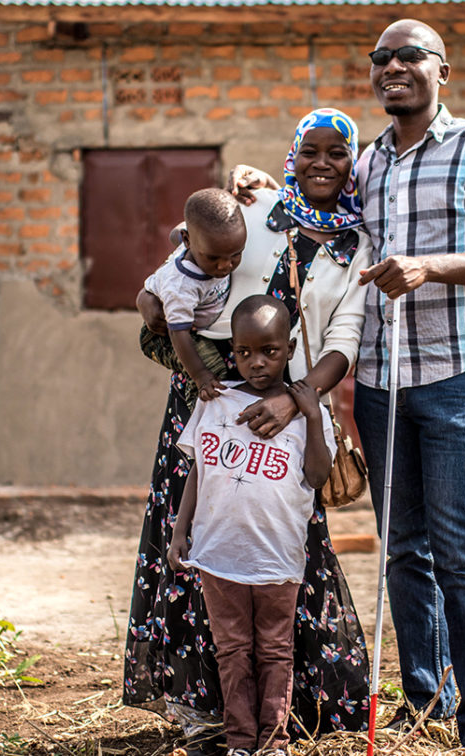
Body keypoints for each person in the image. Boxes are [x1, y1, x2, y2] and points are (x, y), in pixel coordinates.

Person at [229, 20, 465, 756]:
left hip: (459, 372)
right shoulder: (367, 162)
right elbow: (322, 198)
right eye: (381, 59)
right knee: (403, 550)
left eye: (410, 56)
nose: (393, 66)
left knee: (462, 548)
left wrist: (430, 267)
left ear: (443, 71)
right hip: (384, 383)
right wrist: (261, 185)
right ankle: (425, 700)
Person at [124, 108, 375, 756]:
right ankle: (204, 711)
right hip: (211, 404)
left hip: (285, 421)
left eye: (337, 154)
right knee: (198, 546)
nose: (323, 164)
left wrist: (300, 402)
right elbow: (198, 266)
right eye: (310, 152)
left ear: (353, 165)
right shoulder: (258, 210)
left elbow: (343, 339)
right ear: (292, 157)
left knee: (283, 554)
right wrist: (159, 302)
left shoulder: (357, 248)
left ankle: (288, 714)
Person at [169, 295, 336, 756]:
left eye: (269, 351)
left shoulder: (302, 411)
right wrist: (180, 531)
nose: (256, 363)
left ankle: (274, 742)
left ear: (290, 345)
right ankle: (242, 742)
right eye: (244, 352)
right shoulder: (216, 401)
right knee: (232, 651)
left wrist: (314, 416)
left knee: (276, 651)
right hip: (219, 555)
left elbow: (318, 476)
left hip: (276, 558)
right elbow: (198, 471)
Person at [141, 188, 248, 400]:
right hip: (164, 335)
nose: (225, 265)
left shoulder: (208, 240)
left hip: (190, 327)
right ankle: (199, 417)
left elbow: (178, 232)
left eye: (236, 254)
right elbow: (178, 333)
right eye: (214, 257)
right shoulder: (182, 285)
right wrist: (201, 376)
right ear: (188, 241)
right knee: (213, 372)